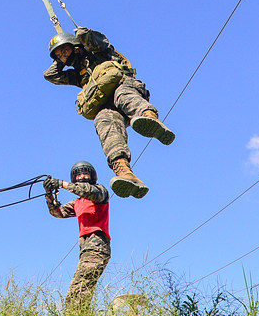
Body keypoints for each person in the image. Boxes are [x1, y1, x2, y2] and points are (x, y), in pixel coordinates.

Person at [44, 27, 175, 199]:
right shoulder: (78, 74)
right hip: (109, 107)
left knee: (122, 96)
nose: (63, 56)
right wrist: (61, 58)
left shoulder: (97, 52)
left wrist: (82, 37)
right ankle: (124, 170)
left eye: (64, 51)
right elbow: (50, 75)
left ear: (75, 46)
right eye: (59, 55)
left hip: (125, 87)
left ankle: (149, 118)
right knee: (103, 121)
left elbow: (100, 41)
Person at [44, 161, 111, 312]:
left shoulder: (100, 192)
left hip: (97, 246)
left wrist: (61, 184)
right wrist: (49, 194)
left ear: (92, 176)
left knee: (77, 295)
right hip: (86, 248)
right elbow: (57, 212)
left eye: (85, 173)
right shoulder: (77, 203)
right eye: (78, 174)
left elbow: (86, 190)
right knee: (79, 294)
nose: (82, 176)